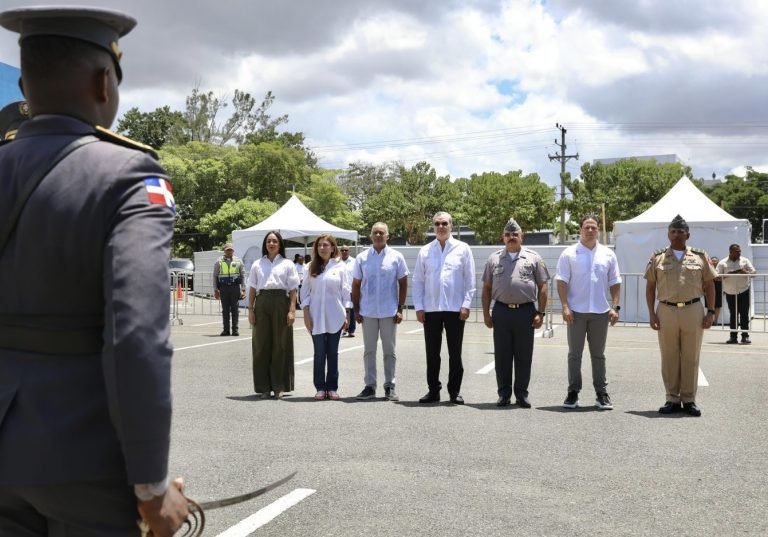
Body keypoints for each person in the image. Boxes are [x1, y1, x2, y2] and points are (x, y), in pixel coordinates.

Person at [0, 6, 188, 536]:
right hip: (81, 462)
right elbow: (136, 336)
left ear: (27, 80)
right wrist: (150, 486)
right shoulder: (129, 175)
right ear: (104, 82)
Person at [644, 215, 717, 417]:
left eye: (680, 231)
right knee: (669, 356)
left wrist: (711, 311)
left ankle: (689, 399)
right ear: (668, 234)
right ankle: (671, 398)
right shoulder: (658, 257)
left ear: (688, 234)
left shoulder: (700, 256)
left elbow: (710, 285)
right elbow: (650, 287)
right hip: (666, 310)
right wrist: (651, 313)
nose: (677, 235)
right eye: (673, 231)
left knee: (691, 356)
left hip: (693, 309)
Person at [555, 214, 621, 410]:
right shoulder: (569, 254)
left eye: (593, 227)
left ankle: (601, 394)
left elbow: (615, 282)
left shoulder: (608, 254)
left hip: (600, 312)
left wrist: (615, 307)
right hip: (576, 312)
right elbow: (561, 282)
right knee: (574, 354)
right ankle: (573, 392)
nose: (590, 230)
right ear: (581, 230)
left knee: (598, 355)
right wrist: (565, 306)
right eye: (587, 227)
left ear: (598, 230)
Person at [481, 218, 549, 408]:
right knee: (502, 356)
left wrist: (540, 313)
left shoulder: (534, 258)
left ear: (522, 237)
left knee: (523, 355)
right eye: (508, 235)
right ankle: (503, 394)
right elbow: (486, 288)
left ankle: (521, 394)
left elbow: (543, 287)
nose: (511, 237)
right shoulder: (493, 258)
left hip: (526, 312)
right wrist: (486, 314)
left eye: (515, 234)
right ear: (503, 237)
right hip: (501, 311)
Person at [413, 211, 476, 405]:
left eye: (444, 223)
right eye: (437, 223)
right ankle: (433, 390)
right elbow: (418, 281)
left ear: (451, 225)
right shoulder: (425, 251)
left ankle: (454, 392)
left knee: (455, 353)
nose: (441, 227)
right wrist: (419, 307)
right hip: (431, 309)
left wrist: (466, 305)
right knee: (432, 353)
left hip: (455, 309)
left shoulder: (463, 249)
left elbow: (470, 280)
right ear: (433, 226)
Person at [352, 223, 409, 402]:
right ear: (370, 236)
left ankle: (390, 386)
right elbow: (355, 284)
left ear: (387, 236)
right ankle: (370, 386)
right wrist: (356, 309)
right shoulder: (361, 258)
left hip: (389, 311)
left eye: (381, 233)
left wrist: (400, 308)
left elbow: (403, 282)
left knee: (389, 351)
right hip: (368, 311)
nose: (378, 235)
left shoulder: (396, 257)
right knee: (369, 351)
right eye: (375, 232)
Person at [247, 231, 299, 399]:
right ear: (265, 244)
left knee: (280, 344)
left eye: (275, 241)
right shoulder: (257, 264)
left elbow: (293, 290)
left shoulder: (287, 264)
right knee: (261, 345)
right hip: (262, 302)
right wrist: (250, 309)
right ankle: (263, 387)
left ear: (280, 244)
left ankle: (279, 386)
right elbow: (253, 288)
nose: (271, 243)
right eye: (269, 241)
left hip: (280, 302)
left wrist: (292, 310)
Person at [301, 234, 350, 401]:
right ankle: (320, 387)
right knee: (319, 353)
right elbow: (305, 293)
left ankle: (332, 387)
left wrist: (347, 314)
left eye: (326, 245)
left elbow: (345, 293)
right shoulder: (309, 267)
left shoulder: (340, 266)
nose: (322, 248)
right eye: (320, 245)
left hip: (335, 315)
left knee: (333, 353)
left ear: (332, 247)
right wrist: (306, 314)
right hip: (316, 317)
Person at [717, 244, 755, 345]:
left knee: (744, 314)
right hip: (730, 292)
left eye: (740, 251)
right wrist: (726, 275)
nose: (739, 253)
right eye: (737, 251)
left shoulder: (745, 261)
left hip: (743, 291)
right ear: (730, 252)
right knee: (733, 314)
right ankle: (733, 337)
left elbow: (754, 273)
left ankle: (745, 337)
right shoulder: (722, 263)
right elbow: (716, 277)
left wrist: (745, 272)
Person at [213, 242, 246, 336]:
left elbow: (243, 276)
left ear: (233, 251)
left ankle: (235, 330)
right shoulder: (218, 261)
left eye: (231, 250)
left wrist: (243, 289)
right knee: (225, 310)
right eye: (227, 250)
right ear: (224, 251)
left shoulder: (238, 261)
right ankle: (226, 330)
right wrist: (215, 290)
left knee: (235, 309)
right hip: (223, 288)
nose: (229, 252)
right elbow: (215, 276)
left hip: (235, 288)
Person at [339, 245, 356, 337]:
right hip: (339, 290)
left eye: (346, 250)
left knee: (351, 310)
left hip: (352, 289)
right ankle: (343, 328)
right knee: (340, 310)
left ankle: (351, 329)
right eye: (342, 250)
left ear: (349, 251)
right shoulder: (336, 262)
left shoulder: (354, 261)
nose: (344, 252)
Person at [708, 257, 723, 326]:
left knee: (718, 305)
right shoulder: (708, 269)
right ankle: (710, 320)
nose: (714, 262)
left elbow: (720, 279)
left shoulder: (720, 269)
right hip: (709, 288)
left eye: (715, 261)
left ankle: (715, 321)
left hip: (718, 288)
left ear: (718, 262)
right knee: (710, 304)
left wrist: (713, 277)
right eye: (712, 261)